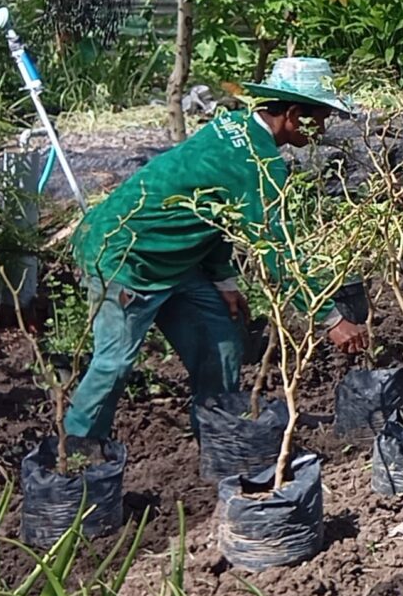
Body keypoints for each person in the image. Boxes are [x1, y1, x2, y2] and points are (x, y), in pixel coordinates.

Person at [65, 57, 370, 455]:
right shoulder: (258, 164)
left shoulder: (236, 126)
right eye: (321, 119)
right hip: (127, 257)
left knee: (220, 342)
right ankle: (77, 453)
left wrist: (223, 280)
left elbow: (217, 214)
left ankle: (217, 437)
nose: (323, 130)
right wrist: (330, 319)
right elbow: (277, 251)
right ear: (294, 114)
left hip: (175, 260)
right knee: (114, 363)